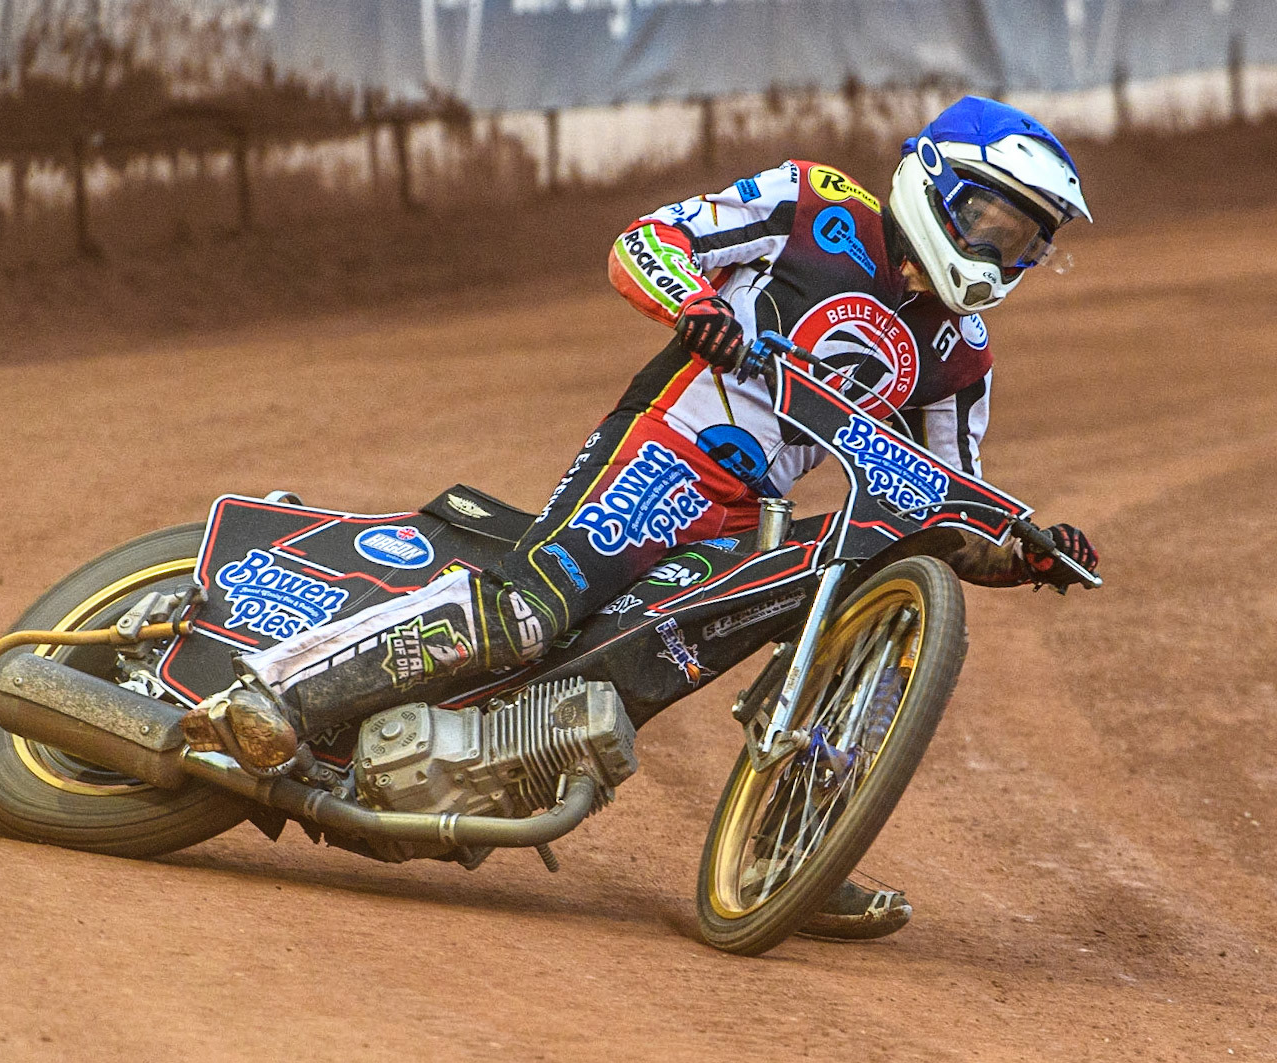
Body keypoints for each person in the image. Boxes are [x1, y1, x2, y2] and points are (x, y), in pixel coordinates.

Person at [182, 96, 1101, 939]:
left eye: (1027, 242)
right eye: (996, 222)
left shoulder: (959, 354)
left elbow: (946, 500)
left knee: (770, 611)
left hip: (753, 520)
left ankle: (805, 840)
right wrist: (694, 306)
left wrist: (1026, 553)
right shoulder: (811, 201)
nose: (1005, 254)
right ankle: (275, 697)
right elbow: (647, 240)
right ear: (938, 185)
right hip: (660, 451)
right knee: (531, 612)